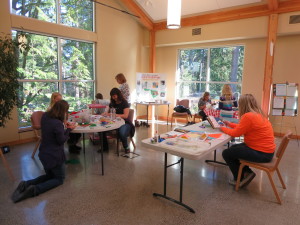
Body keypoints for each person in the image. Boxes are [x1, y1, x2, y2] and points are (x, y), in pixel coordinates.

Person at [11, 100, 76, 203]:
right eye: (66, 111)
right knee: (59, 179)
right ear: (63, 112)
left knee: (50, 176)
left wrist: (63, 124)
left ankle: (26, 184)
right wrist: (68, 129)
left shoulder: (45, 116)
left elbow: (52, 132)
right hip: (54, 156)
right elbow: (61, 141)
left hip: (43, 154)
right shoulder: (57, 124)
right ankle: (35, 190)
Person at [220, 94, 275, 187]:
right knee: (234, 148)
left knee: (226, 153)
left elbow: (236, 133)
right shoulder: (258, 115)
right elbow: (243, 128)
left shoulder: (248, 116)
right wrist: (230, 124)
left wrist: (222, 128)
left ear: (243, 105)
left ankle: (240, 178)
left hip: (261, 153)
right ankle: (246, 172)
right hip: (267, 152)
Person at [101, 88, 135, 153]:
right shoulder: (112, 103)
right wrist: (105, 114)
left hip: (125, 123)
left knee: (122, 132)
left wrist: (113, 114)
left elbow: (125, 116)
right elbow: (109, 113)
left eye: (114, 96)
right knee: (102, 129)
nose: (113, 98)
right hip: (114, 122)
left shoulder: (124, 103)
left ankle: (126, 147)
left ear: (118, 95)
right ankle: (105, 148)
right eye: (112, 96)